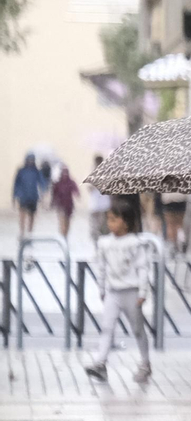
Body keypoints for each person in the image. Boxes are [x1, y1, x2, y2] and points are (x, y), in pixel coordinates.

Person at [83, 201, 151, 383]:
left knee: (137, 329)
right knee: (107, 327)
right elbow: (102, 267)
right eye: (109, 220)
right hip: (113, 292)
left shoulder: (136, 243)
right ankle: (101, 363)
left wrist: (142, 291)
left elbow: (143, 268)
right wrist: (102, 288)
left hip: (131, 291)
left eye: (114, 220)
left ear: (126, 222)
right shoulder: (105, 243)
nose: (110, 224)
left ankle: (145, 363)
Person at [13, 155, 47, 237]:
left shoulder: (36, 171)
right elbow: (16, 183)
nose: (30, 162)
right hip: (23, 196)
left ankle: (30, 232)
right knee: (22, 215)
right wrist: (15, 195)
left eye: (32, 160)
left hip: (33, 197)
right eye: (29, 160)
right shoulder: (21, 171)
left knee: (32, 216)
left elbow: (42, 182)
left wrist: (44, 189)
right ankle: (22, 232)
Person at [49, 164, 79, 239]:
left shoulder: (71, 182)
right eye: (63, 172)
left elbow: (76, 190)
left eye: (66, 172)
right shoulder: (58, 184)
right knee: (62, 222)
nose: (65, 174)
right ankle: (62, 236)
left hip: (69, 206)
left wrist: (77, 194)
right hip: (60, 206)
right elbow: (54, 194)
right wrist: (52, 203)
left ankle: (65, 236)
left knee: (67, 223)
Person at [87, 157, 113, 237]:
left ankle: (102, 240)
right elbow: (89, 188)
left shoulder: (107, 174)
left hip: (104, 204)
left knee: (104, 227)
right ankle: (97, 241)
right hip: (95, 204)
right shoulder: (92, 173)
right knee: (95, 227)